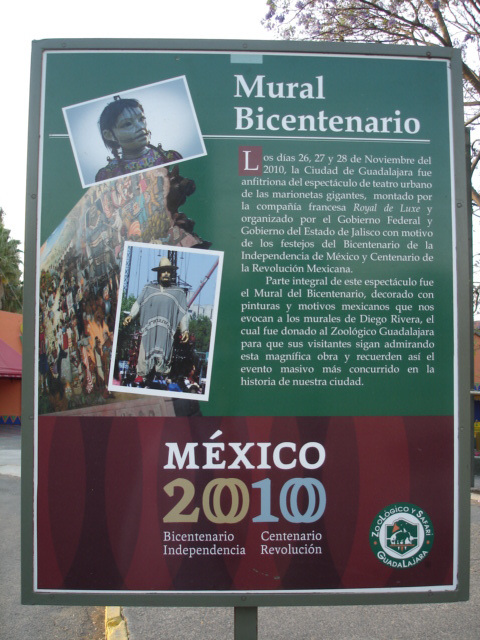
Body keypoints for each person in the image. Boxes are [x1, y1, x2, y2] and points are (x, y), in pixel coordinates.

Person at [123, 257, 188, 381]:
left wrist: (185, 330)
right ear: (159, 273)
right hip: (149, 332)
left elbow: (183, 313)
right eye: (163, 271)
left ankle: (162, 376)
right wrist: (131, 315)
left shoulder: (178, 293)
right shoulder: (148, 289)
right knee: (144, 361)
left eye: (168, 271)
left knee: (163, 362)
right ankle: (142, 378)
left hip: (165, 334)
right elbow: (138, 303)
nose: (166, 274)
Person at [95, 97, 182, 182]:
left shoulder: (170, 158)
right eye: (128, 124)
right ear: (109, 135)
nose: (140, 127)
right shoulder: (108, 174)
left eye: (141, 119)